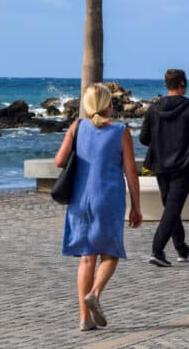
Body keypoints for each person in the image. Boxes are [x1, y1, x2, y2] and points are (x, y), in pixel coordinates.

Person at [56, 83, 142, 332]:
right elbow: (131, 171)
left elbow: (59, 160)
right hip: (108, 198)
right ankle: (94, 293)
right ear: (107, 104)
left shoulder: (77, 126)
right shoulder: (120, 131)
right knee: (110, 253)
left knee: (86, 258)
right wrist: (136, 206)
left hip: (80, 198)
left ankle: (84, 319)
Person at [139, 69, 189, 267]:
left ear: (167, 85)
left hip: (160, 165)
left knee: (171, 207)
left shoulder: (154, 109)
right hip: (184, 164)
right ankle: (157, 250)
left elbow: (144, 138)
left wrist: (161, 140)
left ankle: (181, 248)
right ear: (183, 85)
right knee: (172, 208)